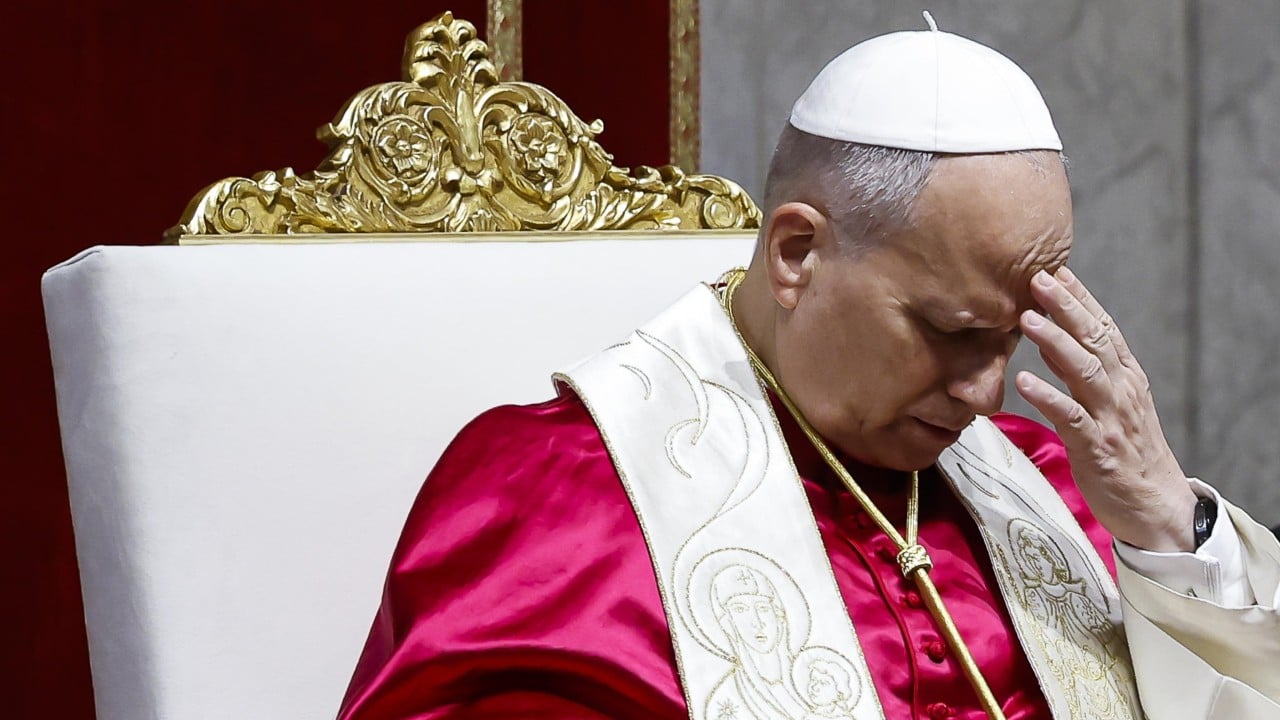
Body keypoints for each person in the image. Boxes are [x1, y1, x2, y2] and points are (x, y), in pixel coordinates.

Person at [338, 18, 1280, 720]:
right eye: (951, 331)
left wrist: (1168, 523)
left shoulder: (1043, 489)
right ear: (795, 253)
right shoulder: (555, 497)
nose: (985, 394)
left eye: (1013, 340)